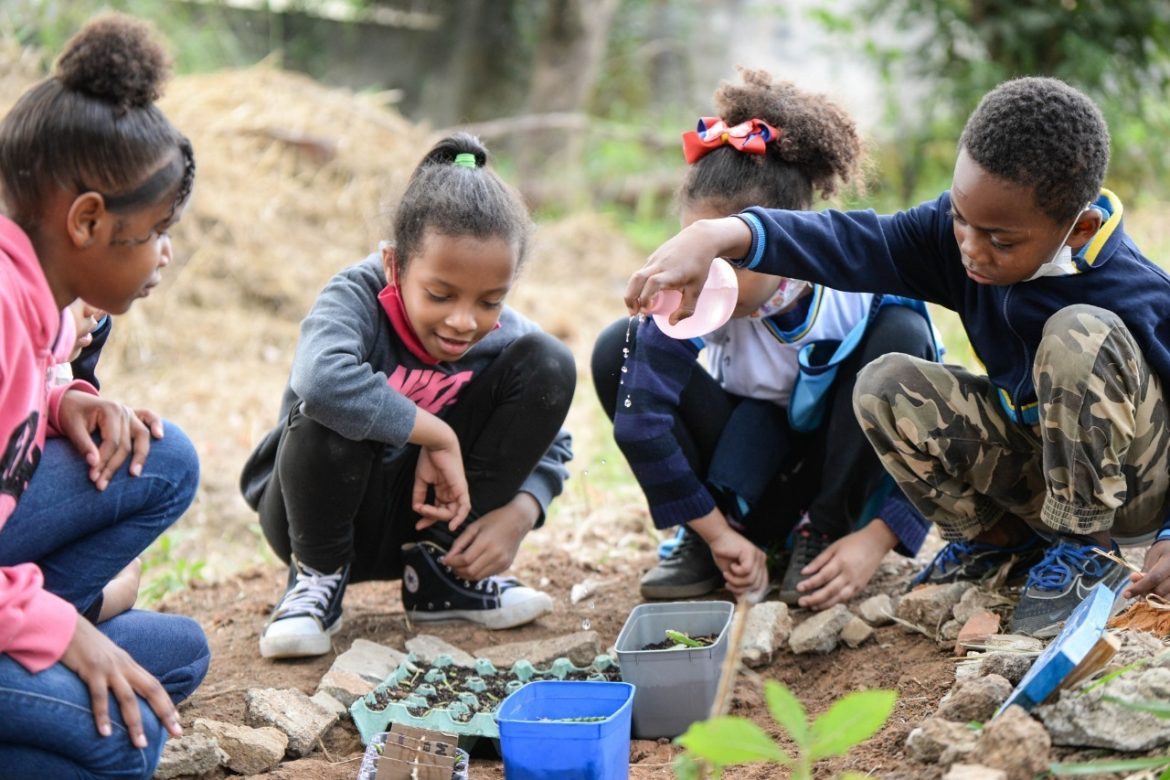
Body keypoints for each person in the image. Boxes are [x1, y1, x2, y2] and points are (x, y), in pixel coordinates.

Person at [625, 75, 1170, 638]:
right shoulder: (954, 241)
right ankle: (999, 544)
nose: (970, 248)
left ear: (1076, 229)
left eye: (1000, 241)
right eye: (960, 217)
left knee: (1077, 332)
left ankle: (1088, 553)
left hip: (1134, 493)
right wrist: (724, 236)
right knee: (885, 384)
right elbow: (852, 241)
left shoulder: (1135, 289)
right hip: (1040, 472)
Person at [592, 69, 937, 607]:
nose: (707, 274)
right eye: (696, 248)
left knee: (903, 336)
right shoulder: (694, 295)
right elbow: (639, 420)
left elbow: (935, 434)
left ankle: (820, 535)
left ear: (786, 236)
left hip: (836, 479)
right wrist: (715, 534)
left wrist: (875, 540)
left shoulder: (859, 286)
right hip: (748, 469)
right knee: (621, 348)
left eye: (727, 254)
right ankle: (719, 539)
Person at [241, 132, 575, 659]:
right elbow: (321, 381)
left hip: (427, 523)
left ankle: (441, 579)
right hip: (317, 515)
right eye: (440, 295)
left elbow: (552, 439)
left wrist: (523, 511)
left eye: (491, 300)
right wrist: (435, 433)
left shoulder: (502, 335)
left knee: (550, 362)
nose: (465, 321)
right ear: (395, 266)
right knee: (333, 413)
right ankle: (314, 586)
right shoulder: (356, 297)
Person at [0, 13, 209, 778]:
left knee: (176, 658)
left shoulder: (37, 301)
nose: (165, 252)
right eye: (156, 229)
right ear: (87, 220)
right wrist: (57, 629)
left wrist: (61, 400)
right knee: (131, 740)